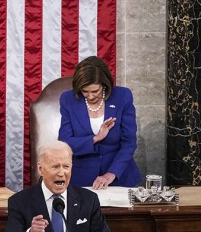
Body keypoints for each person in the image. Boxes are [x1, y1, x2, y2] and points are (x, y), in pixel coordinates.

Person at [0, 140, 117, 232]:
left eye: (66, 166)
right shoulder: (20, 201)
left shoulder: (88, 200)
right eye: (55, 166)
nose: (61, 173)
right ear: (40, 169)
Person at [58, 56, 142, 189]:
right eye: (85, 91)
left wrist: (112, 173)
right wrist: (95, 138)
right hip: (81, 179)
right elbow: (65, 142)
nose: (90, 96)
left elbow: (129, 143)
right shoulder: (68, 100)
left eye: (95, 91)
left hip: (119, 177)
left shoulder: (122, 96)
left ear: (104, 85)